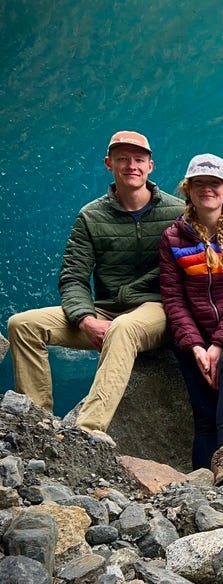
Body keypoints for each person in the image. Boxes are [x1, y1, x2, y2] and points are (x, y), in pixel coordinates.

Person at [7, 131, 184, 442]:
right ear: (108, 164)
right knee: (22, 324)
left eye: (139, 160)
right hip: (105, 310)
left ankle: (87, 430)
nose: (132, 166)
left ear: (151, 166)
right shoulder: (91, 216)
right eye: (123, 159)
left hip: (156, 308)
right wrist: (86, 319)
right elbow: (73, 277)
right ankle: (38, 426)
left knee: (123, 328)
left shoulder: (178, 213)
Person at [159, 154, 223, 491]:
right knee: (204, 413)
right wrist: (193, 344)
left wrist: (218, 343)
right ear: (187, 190)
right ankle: (202, 492)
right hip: (195, 335)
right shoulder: (173, 238)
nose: (207, 189)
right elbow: (173, 298)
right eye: (199, 183)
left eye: (214, 184)